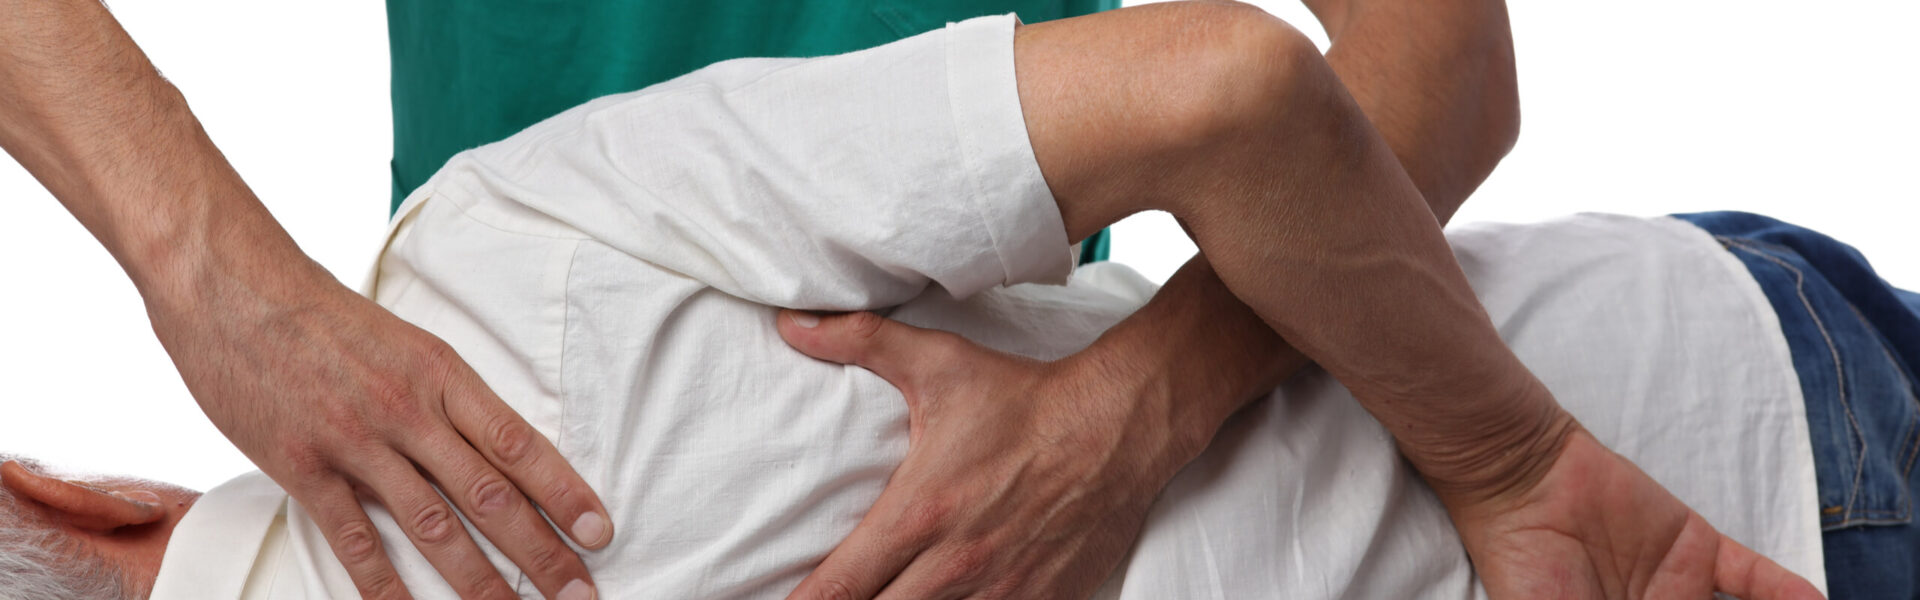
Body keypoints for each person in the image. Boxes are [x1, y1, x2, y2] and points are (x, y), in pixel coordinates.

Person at [6, 2, 1893, 598]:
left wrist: (1130, 415)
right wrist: (212, 271)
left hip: (1654, 420)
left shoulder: (521, 258)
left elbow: (1404, 86)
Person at [0, 0, 1121, 597]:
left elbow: (1246, 97)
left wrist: (1152, 399)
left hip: (1002, 319)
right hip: (503, 362)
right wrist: (211, 272)